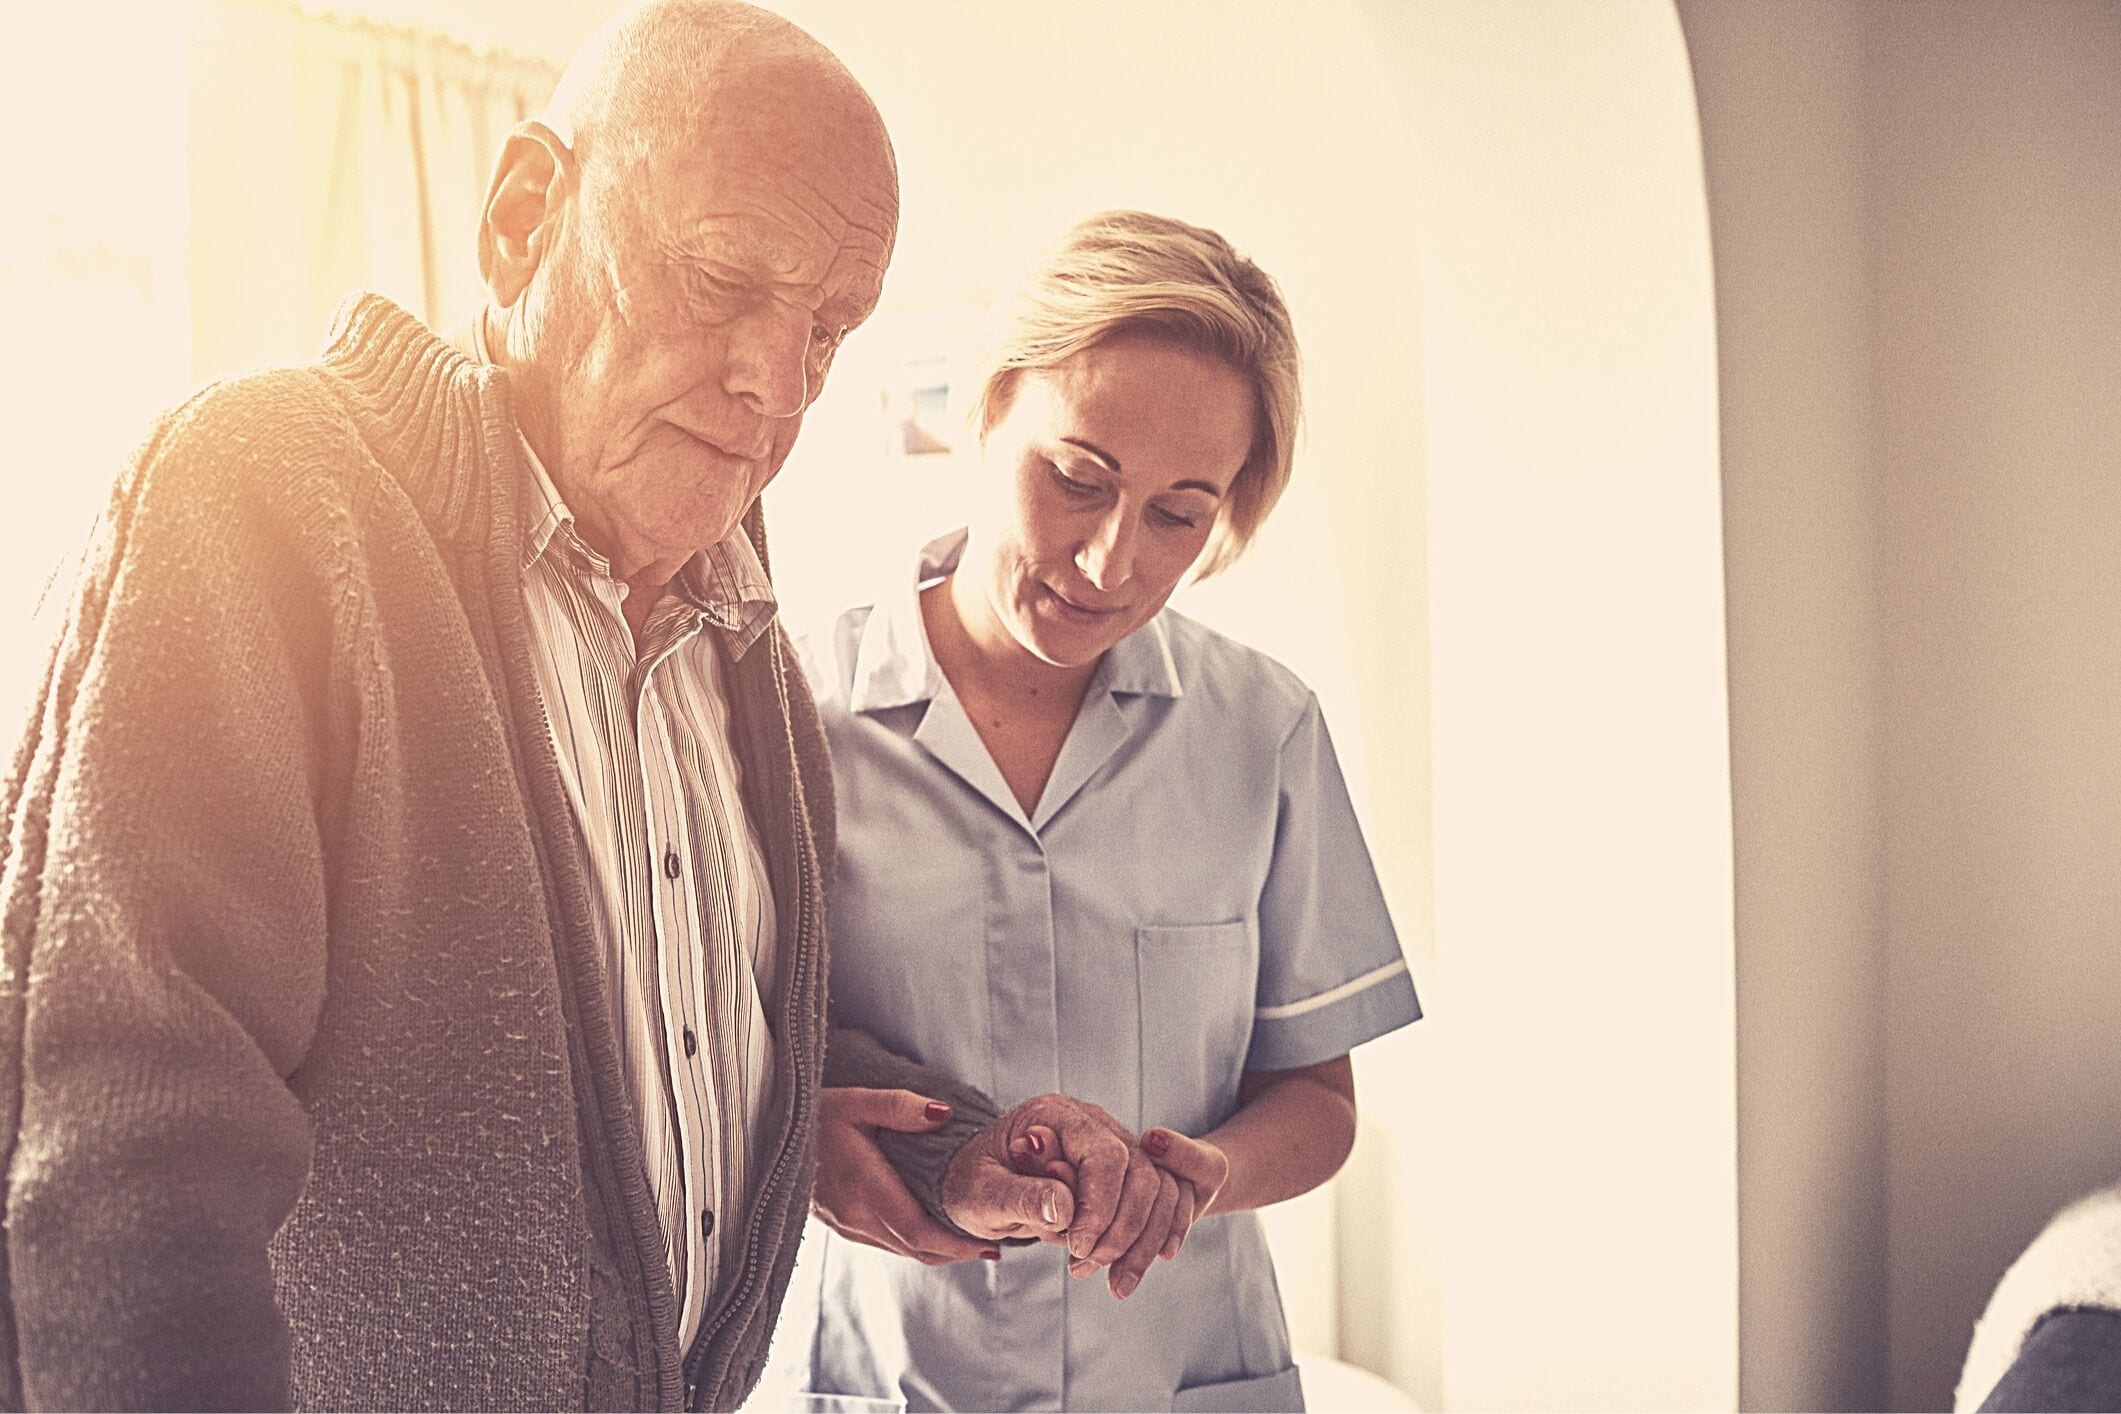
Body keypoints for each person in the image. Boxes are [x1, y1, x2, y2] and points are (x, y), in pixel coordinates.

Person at [0, 3, 1082, 1407]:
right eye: (719, 279)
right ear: (522, 220)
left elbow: (682, 1022)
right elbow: (120, 1151)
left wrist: (941, 1146)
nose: (773, 384)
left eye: (826, 328)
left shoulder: (729, 598)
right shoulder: (261, 492)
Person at [799, 210, 1423, 1412]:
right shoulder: (793, 714)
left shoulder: (1262, 730)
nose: (1108, 560)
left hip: (1182, 1371)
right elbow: (729, 1059)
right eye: (1077, 479)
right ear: (985, 413)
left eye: (1179, 514)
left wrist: (1202, 1174)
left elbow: (1318, 1100)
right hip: (892, 1371)